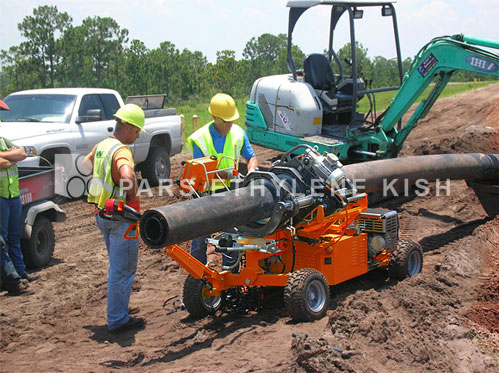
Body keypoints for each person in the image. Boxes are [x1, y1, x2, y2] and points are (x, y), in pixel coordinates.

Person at [85, 103, 146, 333]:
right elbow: (127, 174)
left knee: (117, 267)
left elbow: (84, 164)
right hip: (122, 218)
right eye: (137, 130)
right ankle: (118, 319)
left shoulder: (102, 145)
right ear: (127, 127)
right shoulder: (121, 150)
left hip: (104, 215)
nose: (138, 135)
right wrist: (133, 198)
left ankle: (119, 308)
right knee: (123, 270)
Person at [187, 93, 258, 267]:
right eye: (226, 121)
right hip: (205, 195)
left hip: (229, 193)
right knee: (199, 238)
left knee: (232, 237)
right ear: (214, 117)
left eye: (232, 120)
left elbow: (251, 157)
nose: (230, 124)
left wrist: (252, 170)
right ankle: (198, 279)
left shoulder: (238, 133)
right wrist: (226, 175)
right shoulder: (200, 139)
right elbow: (201, 174)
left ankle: (230, 277)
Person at [0, 133, 41, 284]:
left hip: (13, 195)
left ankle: (20, 272)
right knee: (2, 240)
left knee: (14, 236)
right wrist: (12, 157)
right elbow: (2, 164)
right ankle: (10, 278)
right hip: (2, 195)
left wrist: (7, 156)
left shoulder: (3, 140)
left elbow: (22, 153)